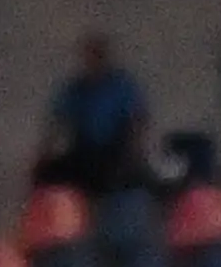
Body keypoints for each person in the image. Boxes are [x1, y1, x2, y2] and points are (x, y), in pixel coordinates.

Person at [33, 35, 151, 198]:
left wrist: (135, 153)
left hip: (114, 152)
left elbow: (137, 120)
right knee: (46, 173)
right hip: (82, 149)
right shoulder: (75, 88)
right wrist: (44, 154)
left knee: (135, 178)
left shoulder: (121, 87)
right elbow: (57, 121)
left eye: (98, 56)